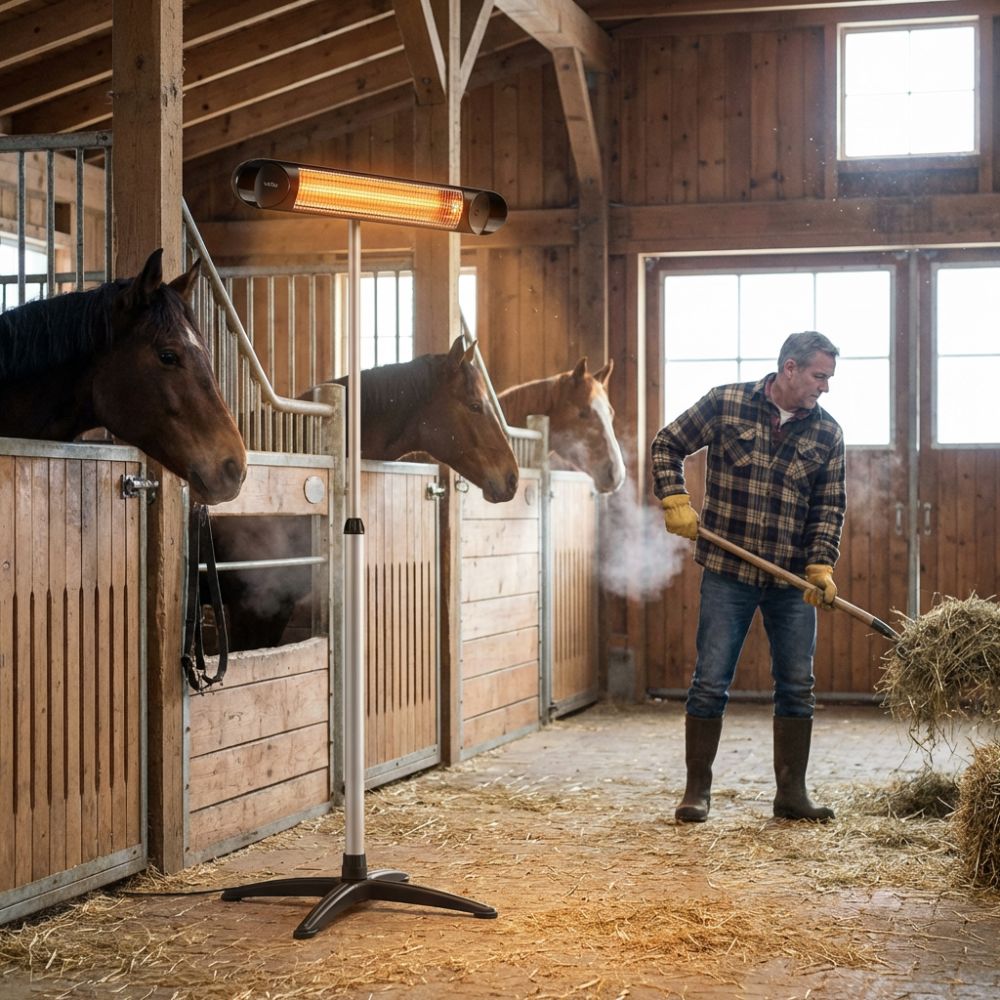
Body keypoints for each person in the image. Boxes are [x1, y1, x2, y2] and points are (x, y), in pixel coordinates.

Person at [651, 331, 845, 823]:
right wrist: (675, 498)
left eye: (828, 378)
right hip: (728, 572)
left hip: (790, 579)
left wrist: (821, 564)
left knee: (797, 684)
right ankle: (698, 791)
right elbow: (667, 443)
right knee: (710, 681)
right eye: (819, 376)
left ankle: (792, 794)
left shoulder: (827, 433)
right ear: (790, 368)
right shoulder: (726, 403)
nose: (825, 387)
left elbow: (829, 507)